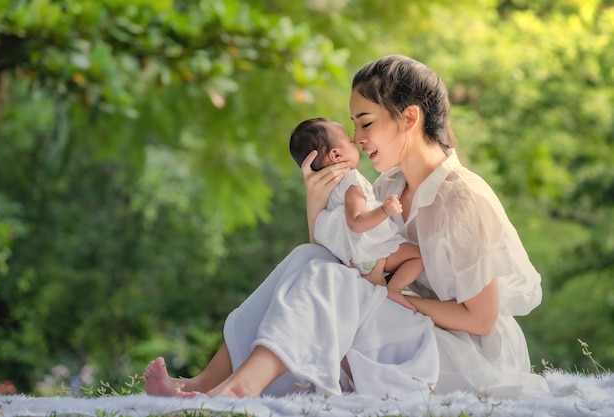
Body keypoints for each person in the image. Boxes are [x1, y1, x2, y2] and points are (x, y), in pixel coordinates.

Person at [144, 54, 547, 400]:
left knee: (336, 282)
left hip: (463, 355)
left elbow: (481, 320)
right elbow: (338, 256)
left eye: (366, 123)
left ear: (409, 118)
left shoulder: (461, 197)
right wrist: (316, 203)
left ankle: (239, 389)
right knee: (309, 255)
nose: (357, 137)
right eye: (354, 124)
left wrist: (391, 297)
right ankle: (209, 380)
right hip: (407, 328)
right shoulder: (390, 185)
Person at [289, 117, 422, 311]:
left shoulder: (330, 192)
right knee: (419, 256)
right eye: (350, 141)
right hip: (371, 254)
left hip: (357, 260)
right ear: (336, 155)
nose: (356, 140)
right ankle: (394, 290)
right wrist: (385, 210)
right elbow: (356, 222)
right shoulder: (352, 183)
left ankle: (387, 285)